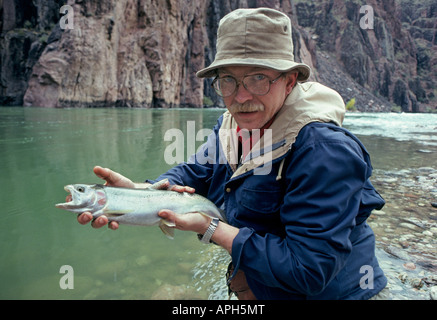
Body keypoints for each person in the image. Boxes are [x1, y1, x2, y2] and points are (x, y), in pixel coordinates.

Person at [77, 8, 388, 300]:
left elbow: (308, 270)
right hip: (263, 281)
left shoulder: (325, 151)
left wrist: (211, 228)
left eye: (258, 79)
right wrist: (140, 193)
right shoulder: (234, 124)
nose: (241, 96)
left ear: (289, 81)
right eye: (228, 80)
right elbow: (197, 171)